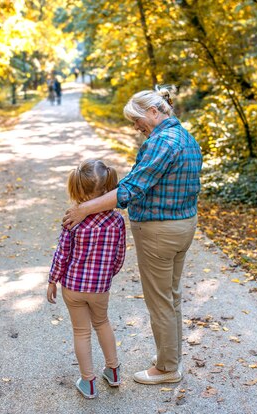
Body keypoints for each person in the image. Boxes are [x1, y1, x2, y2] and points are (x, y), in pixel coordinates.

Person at [63, 85, 202, 385]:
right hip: (184, 225)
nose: (136, 127)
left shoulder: (162, 142)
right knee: (172, 297)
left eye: (137, 120)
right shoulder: (185, 137)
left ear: (154, 112)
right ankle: (170, 355)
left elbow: (129, 189)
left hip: (159, 232)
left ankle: (166, 369)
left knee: (160, 302)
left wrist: (85, 208)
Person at [47, 159, 126, 399]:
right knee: (102, 323)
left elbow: (62, 254)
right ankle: (113, 372)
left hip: (73, 286)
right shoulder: (117, 221)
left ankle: (88, 382)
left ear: (78, 190)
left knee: (81, 332)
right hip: (99, 287)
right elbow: (119, 255)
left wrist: (52, 279)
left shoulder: (73, 219)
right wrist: (106, 275)